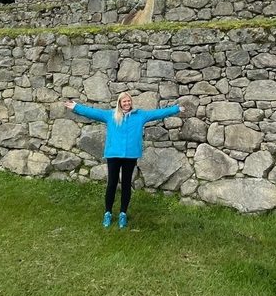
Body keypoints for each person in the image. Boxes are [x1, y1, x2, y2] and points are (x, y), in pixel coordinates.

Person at [64, 93, 185, 228]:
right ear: (120, 103)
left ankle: (123, 214)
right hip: (114, 155)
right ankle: (108, 213)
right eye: (124, 101)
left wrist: (175, 109)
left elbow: (158, 113)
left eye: (128, 101)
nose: (127, 103)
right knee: (112, 184)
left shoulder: (140, 115)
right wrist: (76, 107)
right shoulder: (110, 115)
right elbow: (92, 112)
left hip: (130, 156)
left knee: (126, 184)